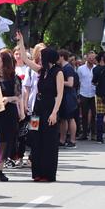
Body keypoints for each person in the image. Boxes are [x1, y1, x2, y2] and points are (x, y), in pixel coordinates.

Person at [16, 31, 64, 182]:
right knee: (35, 137)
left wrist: (54, 113)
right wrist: (21, 42)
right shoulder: (41, 71)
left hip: (50, 109)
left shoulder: (58, 73)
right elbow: (24, 59)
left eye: (42, 57)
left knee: (48, 141)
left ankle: (48, 173)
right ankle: (36, 172)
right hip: (37, 109)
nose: (40, 59)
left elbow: (59, 94)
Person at [0, 49, 21, 182]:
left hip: (8, 113)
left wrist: (8, 99)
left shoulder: (13, 77)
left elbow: (18, 96)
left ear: (5, 62)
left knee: (4, 142)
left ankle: (0, 170)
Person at [58, 49, 79, 147]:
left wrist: (59, 81)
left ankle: (72, 140)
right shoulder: (63, 67)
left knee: (70, 118)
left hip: (69, 97)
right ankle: (62, 140)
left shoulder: (68, 68)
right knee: (63, 119)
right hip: (64, 96)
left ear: (62, 57)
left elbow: (70, 83)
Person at [77, 51, 97, 140]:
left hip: (93, 94)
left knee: (94, 114)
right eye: (90, 58)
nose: (91, 60)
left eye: (93, 58)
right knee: (84, 115)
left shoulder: (96, 68)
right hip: (83, 93)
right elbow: (78, 81)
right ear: (86, 58)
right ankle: (84, 133)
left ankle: (93, 133)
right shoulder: (80, 69)